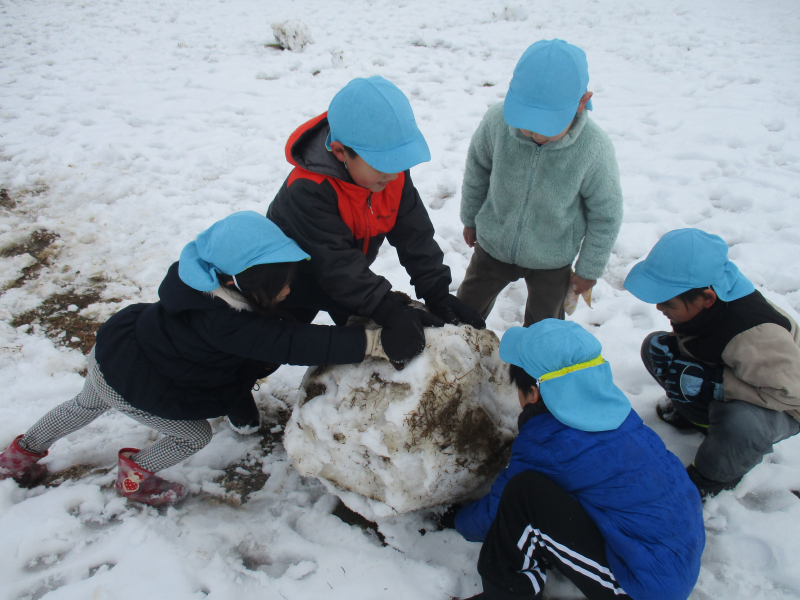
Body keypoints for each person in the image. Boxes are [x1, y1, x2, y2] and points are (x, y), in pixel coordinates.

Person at [0, 212, 390, 506]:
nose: (289, 289)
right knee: (193, 435)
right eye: (280, 283)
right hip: (142, 382)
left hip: (114, 356)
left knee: (82, 405)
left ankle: (22, 452)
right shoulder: (229, 326)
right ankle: (134, 477)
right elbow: (295, 342)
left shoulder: (198, 279)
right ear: (244, 284)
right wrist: (371, 344)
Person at [455, 320, 704, 600]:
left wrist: (457, 519)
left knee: (524, 495)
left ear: (535, 392)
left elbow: (495, 515)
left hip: (638, 587)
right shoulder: (621, 419)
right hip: (674, 559)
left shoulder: (546, 443)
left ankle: (507, 594)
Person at [267, 75, 485, 363]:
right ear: (341, 151)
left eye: (398, 162)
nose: (394, 175)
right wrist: (386, 306)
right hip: (291, 281)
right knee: (271, 350)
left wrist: (436, 292)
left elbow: (414, 233)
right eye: (383, 164)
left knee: (370, 331)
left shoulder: (387, 174)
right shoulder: (309, 189)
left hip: (347, 276)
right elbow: (336, 263)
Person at [457, 39, 623, 327]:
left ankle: (529, 371)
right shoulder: (497, 122)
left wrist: (588, 268)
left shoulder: (593, 148)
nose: (536, 135)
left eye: (548, 126)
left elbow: (606, 213)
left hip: (552, 257)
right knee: (464, 309)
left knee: (545, 325)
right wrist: (470, 218)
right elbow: (478, 168)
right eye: (527, 123)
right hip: (494, 243)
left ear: (582, 103)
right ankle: (456, 350)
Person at [624, 228, 800, 498]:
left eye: (668, 302)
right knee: (655, 347)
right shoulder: (709, 297)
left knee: (741, 425)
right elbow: (709, 340)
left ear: (707, 298)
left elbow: (792, 395)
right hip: (744, 374)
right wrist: (682, 353)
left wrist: (718, 385)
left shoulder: (755, 337)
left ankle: (710, 478)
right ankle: (702, 420)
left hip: (782, 403)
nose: (660, 308)